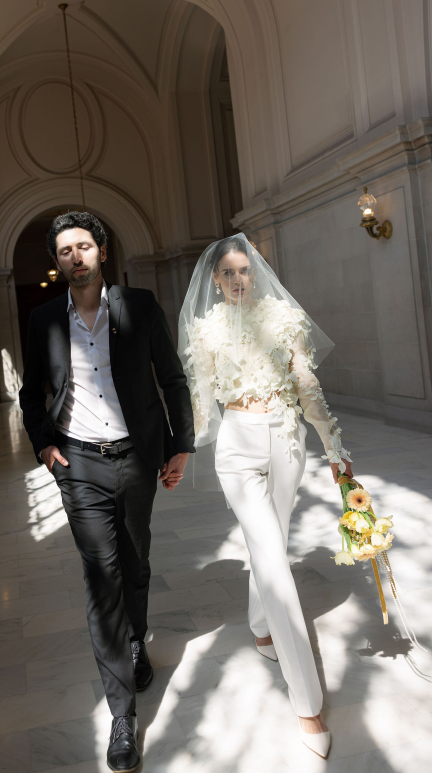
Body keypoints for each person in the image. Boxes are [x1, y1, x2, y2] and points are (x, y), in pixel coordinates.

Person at [19, 211, 194, 773]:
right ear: (57, 260)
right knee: (102, 576)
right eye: (65, 249)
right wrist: (45, 447)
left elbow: (171, 378)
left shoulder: (137, 306)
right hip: (80, 464)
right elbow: (30, 392)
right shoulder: (44, 317)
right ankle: (122, 716)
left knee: (136, 559)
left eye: (84, 246)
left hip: (137, 458)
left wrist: (180, 446)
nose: (75, 256)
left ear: (101, 252)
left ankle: (137, 640)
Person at [178, 233, 353, 759]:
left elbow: (308, 386)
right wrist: (180, 449)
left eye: (243, 271)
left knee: (272, 539)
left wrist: (335, 447)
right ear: (214, 279)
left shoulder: (282, 319)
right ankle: (308, 704)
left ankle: (260, 627)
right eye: (227, 273)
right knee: (273, 561)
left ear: (254, 274)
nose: (236, 280)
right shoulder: (204, 331)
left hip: (286, 440)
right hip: (236, 446)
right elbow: (198, 401)